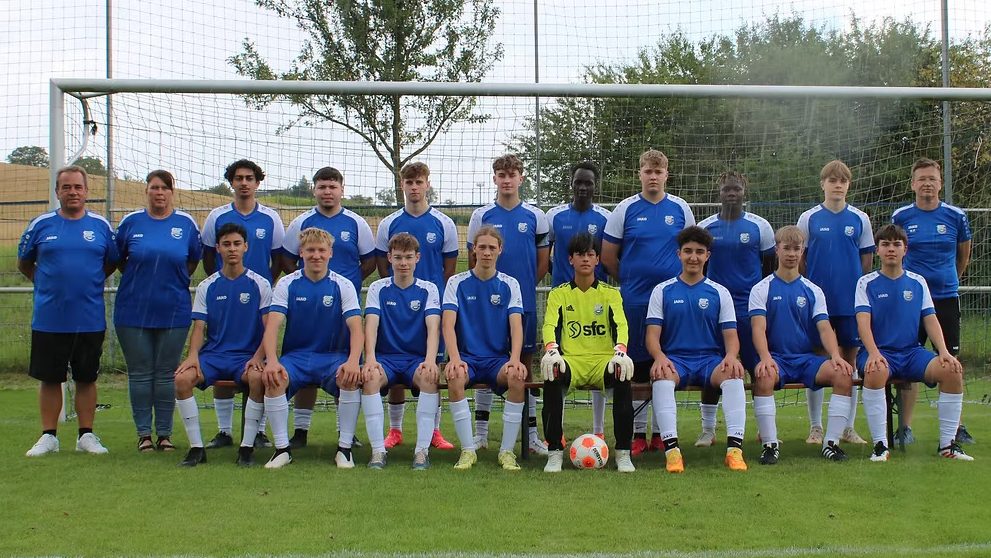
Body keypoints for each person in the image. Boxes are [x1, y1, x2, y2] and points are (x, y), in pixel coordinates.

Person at [20, 165, 119, 457]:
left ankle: (86, 435)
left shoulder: (100, 226)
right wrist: (48, 285)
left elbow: (111, 262)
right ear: (57, 191)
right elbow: (24, 263)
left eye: (78, 187)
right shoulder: (41, 224)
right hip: (49, 318)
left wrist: (88, 283)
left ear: (86, 191)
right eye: (66, 187)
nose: (72, 192)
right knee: (50, 378)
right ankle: (48, 436)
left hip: (89, 317)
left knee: (86, 378)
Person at [602, 149, 695, 456]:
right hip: (635, 301)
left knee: (666, 363)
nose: (653, 176)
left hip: (672, 303)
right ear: (639, 174)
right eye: (648, 171)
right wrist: (631, 280)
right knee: (638, 366)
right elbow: (608, 257)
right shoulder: (625, 209)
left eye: (658, 171)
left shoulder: (681, 208)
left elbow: (691, 250)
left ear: (667, 174)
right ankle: (638, 433)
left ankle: (660, 433)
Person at [855, 224, 972, 462]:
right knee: (876, 370)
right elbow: (863, 323)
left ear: (905, 249)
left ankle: (947, 445)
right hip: (879, 352)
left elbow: (930, 319)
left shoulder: (918, 282)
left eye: (896, 244)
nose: (891, 249)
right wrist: (874, 353)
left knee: (952, 370)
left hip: (911, 353)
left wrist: (944, 351)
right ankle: (880, 446)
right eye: (885, 244)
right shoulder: (865, 283)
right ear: (877, 250)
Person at [250, 227, 364, 468]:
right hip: (296, 357)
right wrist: (272, 361)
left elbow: (356, 328)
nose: (316, 255)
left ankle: (344, 449)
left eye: (321, 250)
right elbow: (272, 327)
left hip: (332, 357)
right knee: (274, 378)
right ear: (301, 252)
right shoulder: (287, 283)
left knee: (350, 377)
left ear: (330, 253)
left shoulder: (343, 285)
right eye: (310, 250)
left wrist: (353, 361)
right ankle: (282, 450)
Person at [281, 166, 375, 449]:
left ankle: (345, 432)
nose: (327, 191)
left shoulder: (356, 223)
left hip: (344, 307)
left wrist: (347, 283)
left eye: (333, 186)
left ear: (342, 190)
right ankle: (300, 430)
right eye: (322, 186)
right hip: (308, 307)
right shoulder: (301, 222)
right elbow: (287, 260)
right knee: (306, 358)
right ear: (314, 190)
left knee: (344, 364)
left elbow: (369, 262)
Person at [645, 226, 748, 472]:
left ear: (707, 256)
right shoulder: (662, 290)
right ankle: (672, 452)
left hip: (710, 361)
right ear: (679, 254)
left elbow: (731, 336)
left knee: (734, 373)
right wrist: (659, 357)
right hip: (676, 360)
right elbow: (652, 336)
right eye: (688, 251)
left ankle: (734, 451)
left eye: (699, 252)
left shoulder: (719, 292)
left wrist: (731, 356)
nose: (693, 257)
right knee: (661, 375)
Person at [749, 226, 855, 464]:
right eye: (786, 248)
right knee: (764, 376)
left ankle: (831, 443)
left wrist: (835, 355)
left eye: (796, 249)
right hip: (777, 359)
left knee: (843, 374)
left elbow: (824, 327)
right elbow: (758, 328)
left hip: (806, 359)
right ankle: (770, 445)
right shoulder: (761, 288)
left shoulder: (813, 290)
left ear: (802, 251)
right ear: (777, 250)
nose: (791, 254)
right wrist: (765, 358)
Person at [466, 154, 549, 455]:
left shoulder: (536, 216)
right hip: (487, 307)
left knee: (523, 368)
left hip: (523, 305)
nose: (507, 180)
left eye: (512, 174)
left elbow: (542, 262)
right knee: (484, 361)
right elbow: (473, 259)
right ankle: (481, 434)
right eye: (501, 175)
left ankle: (532, 435)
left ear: (521, 178)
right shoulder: (481, 215)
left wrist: (518, 289)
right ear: (495, 179)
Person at [115, 170, 202, 453]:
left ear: (172, 192)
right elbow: (119, 260)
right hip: (133, 311)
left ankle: (164, 434)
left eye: (165, 188)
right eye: (154, 187)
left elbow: (191, 261)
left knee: (166, 373)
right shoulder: (131, 223)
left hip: (173, 310)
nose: (159, 192)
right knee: (140, 373)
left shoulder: (186, 224)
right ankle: (144, 435)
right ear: (147, 191)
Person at [200, 159, 284, 450]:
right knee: (220, 352)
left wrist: (264, 285)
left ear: (257, 182)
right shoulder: (217, 216)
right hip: (225, 299)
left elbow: (279, 258)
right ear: (232, 183)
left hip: (259, 299)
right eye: (239, 178)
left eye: (249, 178)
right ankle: (224, 431)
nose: (244, 183)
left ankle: (257, 431)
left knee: (258, 362)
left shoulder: (271, 217)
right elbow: (208, 257)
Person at [173, 223, 271, 467]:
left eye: (237, 244)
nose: (232, 249)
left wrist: (259, 357)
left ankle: (246, 448)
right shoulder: (207, 286)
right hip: (214, 356)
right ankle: (197, 449)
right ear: (217, 248)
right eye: (226, 244)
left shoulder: (260, 284)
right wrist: (192, 356)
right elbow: (199, 327)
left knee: (258, 379)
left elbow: (269, 328)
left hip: (246, 356)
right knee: (182, 379)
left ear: (246, 247)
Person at [374, 162, 456, 451]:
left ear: (427, 184)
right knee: (395, 362)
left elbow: (449, 268)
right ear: (402, 185)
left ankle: (434, 431)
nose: (414, 187)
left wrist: (433, 296)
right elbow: (383, 266)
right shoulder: (388, 223)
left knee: (432, 366)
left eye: (419, 182)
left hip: (431, 307)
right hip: (397, 307)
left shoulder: (444, 223)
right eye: (409, 182)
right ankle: (395, 430)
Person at [891, 158, 974, 445]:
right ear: (913, 184)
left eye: (932, 179)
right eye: (922, 179)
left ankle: (956, 428)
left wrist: (949, 279)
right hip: (910, 302)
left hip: (945, 299)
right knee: (906, 360)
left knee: (950, 360)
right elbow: (895, 252)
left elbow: (963, 255)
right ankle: (905, 428)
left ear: (940, 183)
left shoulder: (956, 216)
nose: (927, 183)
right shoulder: (901, 216)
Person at [540, 232, 635, 473]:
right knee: (552, 373)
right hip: (572, 361)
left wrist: (621, 350)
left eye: (590, 254)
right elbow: (549, 325)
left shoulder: (610, 293)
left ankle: (623, 453)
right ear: (570, 259)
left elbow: (621, 325)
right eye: (580, 254)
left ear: (597, 259)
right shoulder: (559, 293)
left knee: (622, 375)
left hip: (603, 361)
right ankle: (554, 452)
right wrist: (551, 349)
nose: (585, 259)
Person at [796, 160, 872, 446]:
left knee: (849, 363)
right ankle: (816, 427)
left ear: (848, 185)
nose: (838, 185)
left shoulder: (860, 219)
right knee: (818, 361)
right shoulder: (808, 218)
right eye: (832, 180)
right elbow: (801, 259)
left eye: (843, 181)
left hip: (849, 305)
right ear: (823, 184)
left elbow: (866, 260)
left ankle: (847, 427)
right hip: (819, 306)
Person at [697, 171, 775, 447]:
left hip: (748, 308)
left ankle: (764, 429)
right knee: (714, 364)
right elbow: (700, 267)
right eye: (727, 189)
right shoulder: (705, 228)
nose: (732, 193)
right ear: (719, 192)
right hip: (714, 309)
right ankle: (708, 430)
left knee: (757, 366)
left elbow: (768, 267)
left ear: (745, 191)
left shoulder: (760, 226)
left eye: (737, 189)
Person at [442, 226, 528, 470]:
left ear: (500, 250)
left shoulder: (510, 284)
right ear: (474, 250)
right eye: (482, 247)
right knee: (455, 376)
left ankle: (507, 452)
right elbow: (448, 325)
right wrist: (454, 358)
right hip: (467, 358)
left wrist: (515, 359)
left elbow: (516, 326)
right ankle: (468, 451)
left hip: (496, 360)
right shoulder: (456, 283)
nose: (487, 252)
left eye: (492, 247)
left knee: (517, 377)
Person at [362, 233, 443, 469]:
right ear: (389, 258)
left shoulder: (428, 289)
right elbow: (371, 326)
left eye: (408, 257)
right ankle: (378, 451)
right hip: (386, 360)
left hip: (415, 360)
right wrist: (370, 359)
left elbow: (433, 328)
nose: (403, 263)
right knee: (370, 377)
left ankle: (421, 452)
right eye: (398, 257)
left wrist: (430, 360)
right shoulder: (378, 288)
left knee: (429, 377)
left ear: (418, 258)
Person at [545, 162, 612, 439]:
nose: (583, 187)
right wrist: (564, 278)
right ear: (571, 184)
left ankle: (598, 430)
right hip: (564, 301)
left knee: (598, 357)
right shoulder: (554, 216)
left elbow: (609, 256)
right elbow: (546, 256)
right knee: (559, 362)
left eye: (588, 183)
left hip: (597, 301)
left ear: (596, 186)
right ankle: (557, 432)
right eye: (578, 182)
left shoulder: (606, 218)